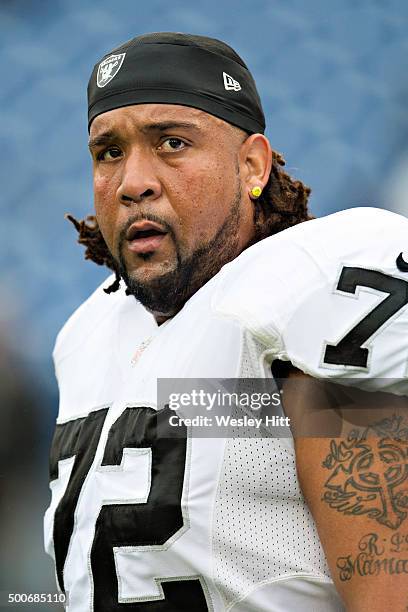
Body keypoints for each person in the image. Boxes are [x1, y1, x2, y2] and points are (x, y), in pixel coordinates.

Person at [44, 32, 408, 611]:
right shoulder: (85, 334)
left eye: (172, 143)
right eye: (109, 152)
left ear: (252, 166)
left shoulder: (306, 296)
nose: (134, 181)